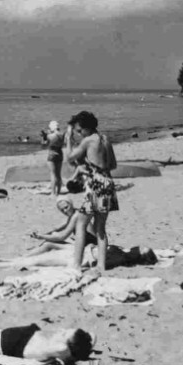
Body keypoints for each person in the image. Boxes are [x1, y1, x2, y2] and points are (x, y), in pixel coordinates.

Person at [64, 111, 117, 270]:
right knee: (101, 228)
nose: (79, 134)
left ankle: (77, 264)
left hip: (95, 185)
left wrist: (67, 140)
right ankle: (101, 265)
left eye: (80, 130)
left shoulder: (88, 141)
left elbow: (69, 158)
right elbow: (113, 165)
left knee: (81, 224)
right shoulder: (105, 139)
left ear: (87, 128)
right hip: (108, 183)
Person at [0, 198, 98, 268]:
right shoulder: (73, 214)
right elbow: (59, 227)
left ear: (71, 204)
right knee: (51, 238)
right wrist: (43, 234)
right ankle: (20, 258)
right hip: (80, 244)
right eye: (62, 210)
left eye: (66, 207)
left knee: (48, 243)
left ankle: (20, 259)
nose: (65, 211)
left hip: (87, 247)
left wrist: (41, 236)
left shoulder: (77, 216)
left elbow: (62, 236)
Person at [45, 120, 64, 194]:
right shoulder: (62, 134)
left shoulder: (50, 135)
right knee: (58, 174)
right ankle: (58, 191)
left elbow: (46, 143)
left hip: (52, 154)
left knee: (52, 174)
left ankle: (53, 193)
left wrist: (47, 134)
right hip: (60, 153)